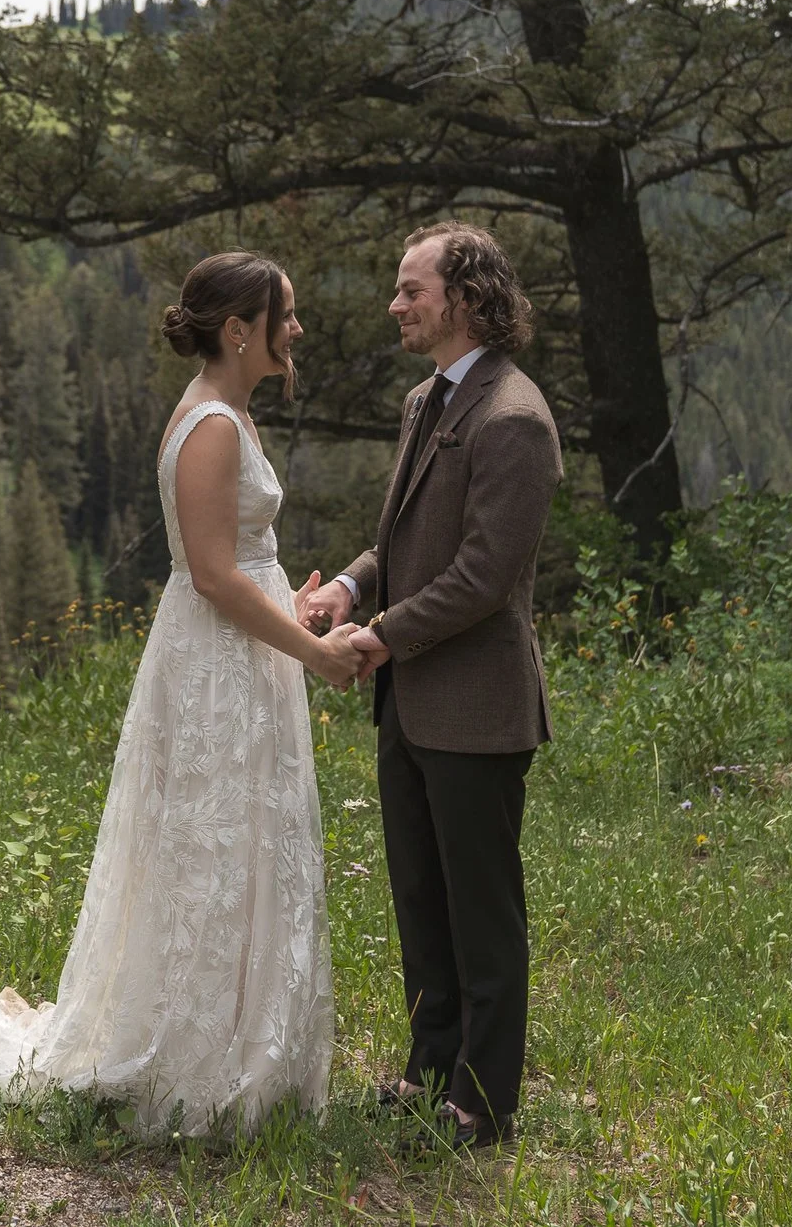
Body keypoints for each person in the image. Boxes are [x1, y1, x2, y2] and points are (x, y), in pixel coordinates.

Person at [0, 251, 372, 1136]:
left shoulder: (227, 416)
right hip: (218, 668)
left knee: (239, 844)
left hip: (236, 656)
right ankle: (194, 1064)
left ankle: (240, 1046)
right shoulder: (212, 426)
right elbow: (212, 575)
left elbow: (232, 563)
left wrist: (291, 603)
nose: (296, 330)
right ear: (238, 331)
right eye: (284, 316)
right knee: (212, 849)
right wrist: (314, 653)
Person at [302, 221, 563, 1153]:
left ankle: (484, 1105)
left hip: (477, 707)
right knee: (420, 894)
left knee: (481, 911)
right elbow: (406, 541)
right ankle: (428, 1070)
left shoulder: (515, 417)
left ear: (465, 298)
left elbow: (484, 573)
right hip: (411, 699)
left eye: (411, 289)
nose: (395, 303)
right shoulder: (428, 401)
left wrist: (381, 635)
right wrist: (350, 586)